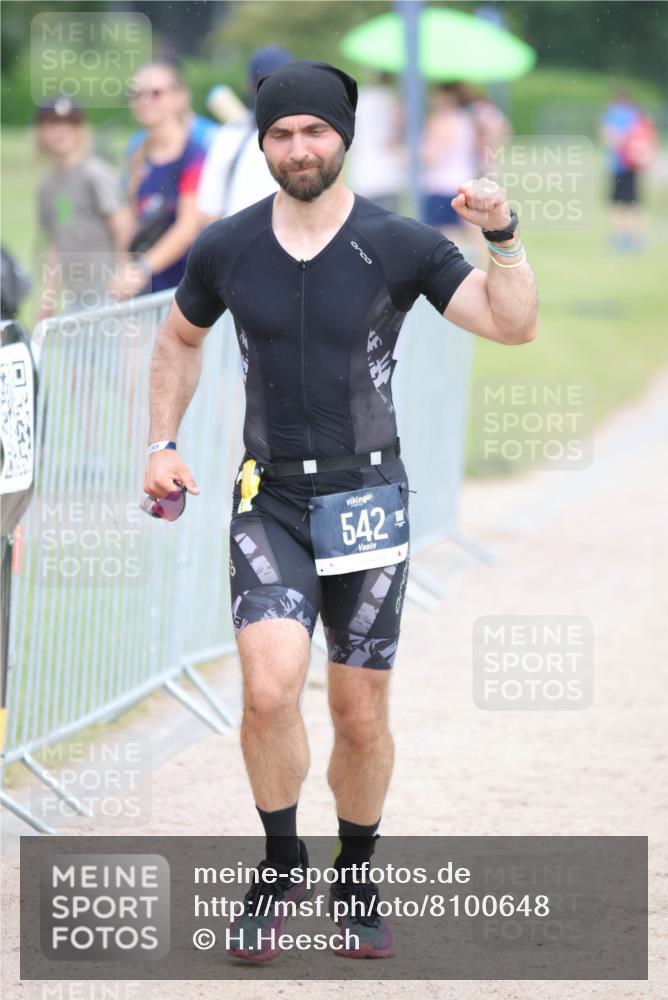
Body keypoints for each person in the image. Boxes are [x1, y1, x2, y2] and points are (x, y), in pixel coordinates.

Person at [143, 59, 537, 962]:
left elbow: (512, 323)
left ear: (344, 138)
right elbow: (178, 338)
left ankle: (355, 872)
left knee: (359, 713)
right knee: (269, 689)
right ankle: (281, 863)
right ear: (263, 145)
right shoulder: (229, 246)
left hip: (368, 501)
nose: (298, 148)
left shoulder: (398, 243)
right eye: (281, 134)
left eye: (314, 131)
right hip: (269, 496)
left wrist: (504, 237)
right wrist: (161, 441)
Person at [112, 62, 206, 299]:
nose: (145, 101)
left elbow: (188, 227)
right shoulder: (136, 155)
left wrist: (142, 269)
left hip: (187, 290)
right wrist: (125, 268)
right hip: (146, 290)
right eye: (137, 94)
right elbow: (129, 221)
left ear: (179, 98)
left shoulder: (195, 156)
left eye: (156, 93)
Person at [34, 97, 124, 319]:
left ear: (81, 129)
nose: (61, 131)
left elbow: (123, 227)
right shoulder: (47, 185)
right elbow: (55, 243)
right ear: (41, 131)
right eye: (52, 123)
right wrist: (49, 296)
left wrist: (125, 273)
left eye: (70, 123)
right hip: (75, 298)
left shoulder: (95, 174)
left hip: (109, 293)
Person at [196, 46, 293, 223]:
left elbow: (208, 214)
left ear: (248, 86)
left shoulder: (228, 137)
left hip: (234, 236)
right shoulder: (308, 140)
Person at [420, 83, 479, 249]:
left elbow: (431, 157)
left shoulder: (442, 121)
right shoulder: (465, 119)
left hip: (442, 186)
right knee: (471, 235)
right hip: (465, 181)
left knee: (444, 238)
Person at [600, 89, 658, 252]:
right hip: (633, 165)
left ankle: (622, 239)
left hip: (620, 165)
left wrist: (619, 142)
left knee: (619, 204)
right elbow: (648, 139)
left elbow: (608, 138)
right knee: (633, 202)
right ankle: (633, 238)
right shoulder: (638, 115)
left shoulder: (613, 114)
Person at [346, 71, 407, 212]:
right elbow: (399, 134)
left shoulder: (359, 98)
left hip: (363, 171)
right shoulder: (394, 99)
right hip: (390, 173)